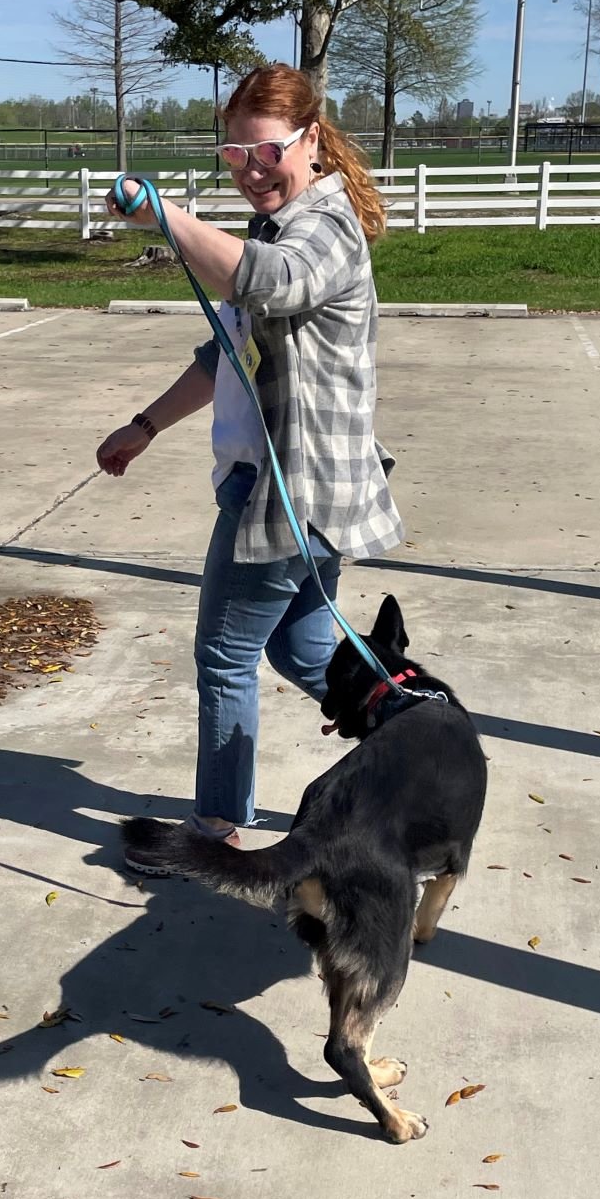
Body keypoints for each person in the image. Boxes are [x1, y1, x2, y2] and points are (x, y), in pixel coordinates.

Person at [97, 63, 401, 874]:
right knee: (303, 651)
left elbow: (269, 283)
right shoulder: (277, 226)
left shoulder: (322, 228)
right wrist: (145, 424)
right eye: (235, 153)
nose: (250, 169)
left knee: (225, 656)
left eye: (265, 151)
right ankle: (412, 735)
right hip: (300, 489)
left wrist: (166, 212)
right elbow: (224, 350)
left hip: (287, 493)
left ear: (309, 139)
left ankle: (214, 830)